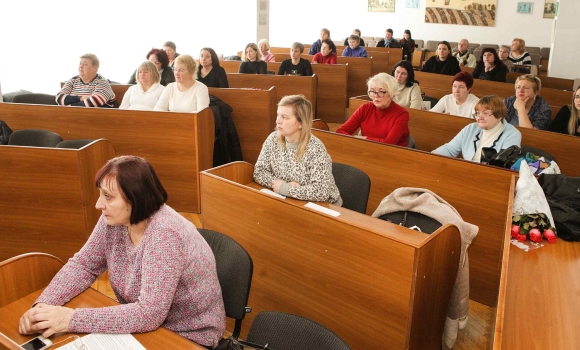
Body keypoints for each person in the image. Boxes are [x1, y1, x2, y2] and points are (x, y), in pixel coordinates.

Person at [18, 155, 226, 349]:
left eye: (108, 197)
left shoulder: (165, 235)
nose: (99, 204)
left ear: (135, 199)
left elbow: (148, 314)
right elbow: (84, 264)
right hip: (147, 327)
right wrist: (44, 308)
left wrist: (70, 319)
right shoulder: (114, 219)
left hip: (188, 336)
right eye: (100, 194)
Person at [253, 95, 342, 205]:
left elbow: (321, 191)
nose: (278, 121)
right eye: (278, 115)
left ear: (301, 123)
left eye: (285, 117)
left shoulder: (316, 148)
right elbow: (259, 172)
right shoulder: (272, 139)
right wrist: (277, 183)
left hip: (324, 206)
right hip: (291, 201)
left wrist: (285, 189)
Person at [432, 95, 522, 162]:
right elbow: (449, 149)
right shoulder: (470, 128)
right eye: (478, 113)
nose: (480, 117)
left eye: (485, 113)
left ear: (499, 116)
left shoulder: (512, 134)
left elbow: (501, 164)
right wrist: (431, 156)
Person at [336, 73, 409, 146]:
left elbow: (388, 143)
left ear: (391, 94)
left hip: (393, 153)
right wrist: (355, 139)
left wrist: (362, 139)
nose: (376, 95)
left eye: (381, 91)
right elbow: (340, 131)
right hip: (366, 150)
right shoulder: (365, 108)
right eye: (373, 91)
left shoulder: (402, 114)